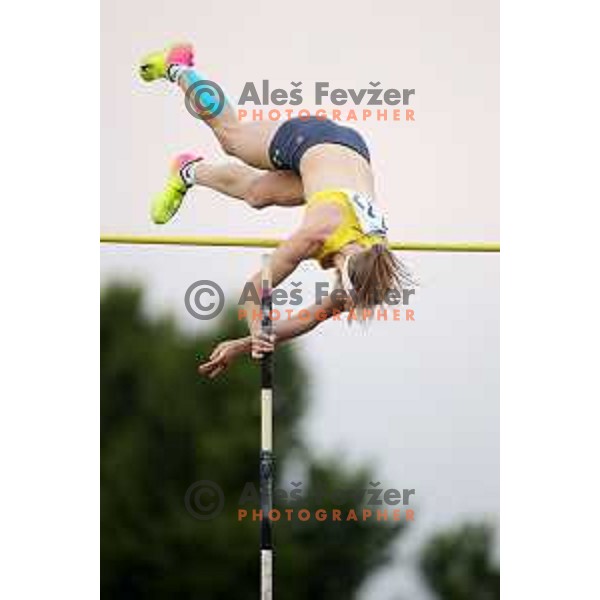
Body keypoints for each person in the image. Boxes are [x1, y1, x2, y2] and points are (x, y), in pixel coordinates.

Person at [139, 43, 411, 378]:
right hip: (312, 140)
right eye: (342, 289)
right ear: (346, 269)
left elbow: (311, 318)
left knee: (257, 194)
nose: (337, 296)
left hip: (346, 158)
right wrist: (256, 326)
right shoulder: (318, 233)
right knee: (232, 138)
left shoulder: (372, 270)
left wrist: (244, 343)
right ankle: (177, 68)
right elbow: (255, 287)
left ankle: (187, 171)